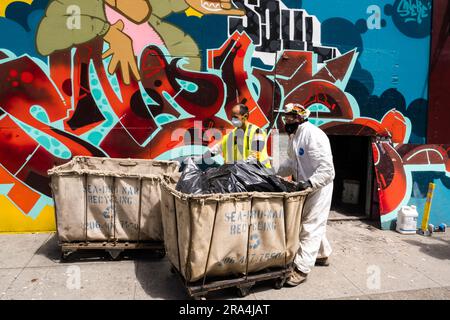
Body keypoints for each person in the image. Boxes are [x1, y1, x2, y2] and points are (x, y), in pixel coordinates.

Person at [277, 103, 335, 287]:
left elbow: (327, 170)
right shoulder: (295, 136)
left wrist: (309, 183)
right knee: (313, 223)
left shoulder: (313, 135)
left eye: (290, 117)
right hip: (306, 186)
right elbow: (291, 163)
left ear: (300, 117)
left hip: (319, 187)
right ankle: (323, 254)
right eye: (286, 117)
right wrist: (270, 171)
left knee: (310, 226)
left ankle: (301, 269)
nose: (287, 121)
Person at [206, 104, 272, 168]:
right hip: (242, 174)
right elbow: (217, 148)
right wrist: (202, 156)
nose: (232, 120)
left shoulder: (257, 132)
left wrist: (237, 167)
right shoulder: (231, 135)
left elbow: (254, 157)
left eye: (235, 117)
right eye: (231, 117)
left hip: (260, 174)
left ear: (245, 116)